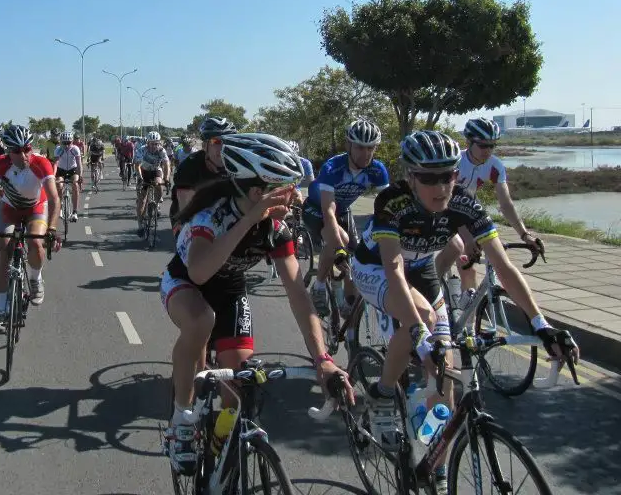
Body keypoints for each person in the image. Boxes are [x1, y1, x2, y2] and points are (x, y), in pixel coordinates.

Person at [350, 130, 579, 492]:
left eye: (449, 175)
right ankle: (381, 394)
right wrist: (420, 336)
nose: (441, 186)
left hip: (422, 267)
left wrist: (541, 324)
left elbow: (503, 266)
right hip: (375, 267)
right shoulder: (393, 202)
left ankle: (434, 468)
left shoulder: (463, 204)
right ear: (410, 176)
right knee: (421, 320)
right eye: (428, 177)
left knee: (446, 378)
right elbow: (393, 269)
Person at [161, 133, 354, 474]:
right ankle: (180, 419)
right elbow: (201, 273)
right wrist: (250, 220)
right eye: (286, 188)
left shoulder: (276, 229)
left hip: (231, 289)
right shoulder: (212, 217)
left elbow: (298, 294)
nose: (295, 196)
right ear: (256, 193)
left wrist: (323, 359)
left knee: (239, 387)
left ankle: (220, 451)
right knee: (201, 321)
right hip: (187, 283)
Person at [435, 117, 543, 305]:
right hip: (442, 212)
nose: (488, 151)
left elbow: (506, 203)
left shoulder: (494, 165)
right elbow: (448, 206)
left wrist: (525, 235)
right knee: (461, 251)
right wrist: (468, 238)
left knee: (489, 254)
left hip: (467, 212)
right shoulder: (455, 163)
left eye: (492, 146)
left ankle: (467, 316)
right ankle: (428, 292)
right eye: (483, 145)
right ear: (469, 142)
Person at [0, 125, 62, 333]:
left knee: (36, 242)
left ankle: (35, 278)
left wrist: (53, 228)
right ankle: (1, 309)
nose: (23, 155)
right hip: (9, 209)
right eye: (17, 150)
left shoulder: (41, 163)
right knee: (3, 251)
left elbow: (54, 198)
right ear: (7, 151)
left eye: (27, 148)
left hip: (35, 209)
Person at [303, 119, 389, 317]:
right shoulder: (333, 167)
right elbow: (328, 210)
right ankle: (319, 286)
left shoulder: (377, 169)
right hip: (318, 210)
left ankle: (350, 313)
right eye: (360, 147)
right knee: (339, 242)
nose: (366, 154)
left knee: (355, 257)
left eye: (371, 148)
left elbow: (388, 207)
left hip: (343, 211)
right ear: (348, 145)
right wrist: (340, 248)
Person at [169, 116, 238, 235]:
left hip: (223, 216)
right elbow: (186, 209)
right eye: (217, 142)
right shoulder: (189, 167)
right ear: (205, 145)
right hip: (187, 215)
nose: (223, 148)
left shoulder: (238, 165)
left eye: (228, 141)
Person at [134, 131, 172, 237]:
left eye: (157, 143)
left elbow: (166, 165)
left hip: (156, 170)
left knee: (159, 183)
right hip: (144, 172)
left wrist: (167, 178)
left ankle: (155, 203)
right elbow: (137, 165)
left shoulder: (161, 150)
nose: (154, 145)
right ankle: (140, 225)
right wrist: (140, 178)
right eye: (152, 143)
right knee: (142, 200)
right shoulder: (142, 150)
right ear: (148, 143)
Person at [54, 130, 83, 221]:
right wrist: (52, 176)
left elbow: (79, 164)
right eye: (64, 143)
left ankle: (74, 212)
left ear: (72, 142)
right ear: (61, 142)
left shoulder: (75, 149)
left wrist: (80, 176)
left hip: (72, 170)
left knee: (75, 184)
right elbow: (56, 163)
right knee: (59, 185)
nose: (66, 145)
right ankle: (60, 208)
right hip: (61, 170)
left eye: (69, 143)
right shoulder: (58, 149)